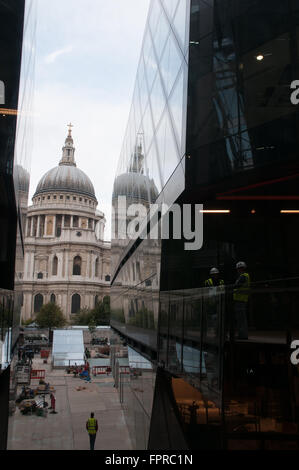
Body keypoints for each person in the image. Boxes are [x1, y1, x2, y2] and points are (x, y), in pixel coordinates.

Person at [233, 261, 251, 340]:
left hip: (240, 300)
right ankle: (242, 334)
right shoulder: (244, 276)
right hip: (240, 299)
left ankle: (243, 335)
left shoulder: (243, 276)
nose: (238, 270)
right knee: (241, 318)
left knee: (241, 319)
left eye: (239, 269)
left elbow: (236, 286)